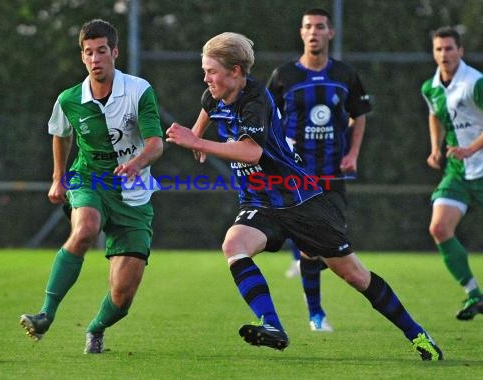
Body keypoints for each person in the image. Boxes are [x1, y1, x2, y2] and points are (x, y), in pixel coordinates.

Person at [166, 31, 442, 360]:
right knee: (234, 244)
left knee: (354, 275)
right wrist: (195, 135)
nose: (205, 77)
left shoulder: (257, 100)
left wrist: (197, 143)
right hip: (260, 202)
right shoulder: (212, 95)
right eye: (204, 70)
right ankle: (272, 325)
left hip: (301, 201)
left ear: (237, 71)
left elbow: (251, 153)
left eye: (211, 70)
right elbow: (203, 121)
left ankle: (418, 335)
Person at [19, 19, 164, 354]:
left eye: (102, 51)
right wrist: (58, 177)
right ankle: (45, 315)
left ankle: (96, 328)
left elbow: (155, 144)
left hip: (135, 193)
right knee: (86, 228)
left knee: (122, 296)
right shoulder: (70, 99)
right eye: (89, 53)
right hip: (89, 180)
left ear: (114, 52)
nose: (96, 58)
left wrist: (136, 163)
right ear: (82, 57)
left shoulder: (139, 90)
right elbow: (61, 132)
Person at [267, 8, 371, 332]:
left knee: (330, 243)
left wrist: (353, 153)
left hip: (333, 176)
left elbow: (360, 114)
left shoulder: (345, 75)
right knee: (311, 245)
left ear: (331, 33)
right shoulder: (284, 75)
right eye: (308, 27)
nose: (314, 32)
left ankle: (314, 284)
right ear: (301, 33)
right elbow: (267, 118)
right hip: (298, 176)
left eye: (320, 27)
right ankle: (316, 314)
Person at [421, 26, 483, 320]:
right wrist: (436, 147)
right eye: (438, 49)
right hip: (458, 172)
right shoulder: (430, 87)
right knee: (439, 228)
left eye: (449, 48)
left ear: (460, 51)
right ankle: (474, 294)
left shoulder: (475, 83)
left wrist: (471, 148)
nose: (444, 54)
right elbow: (435, 114)